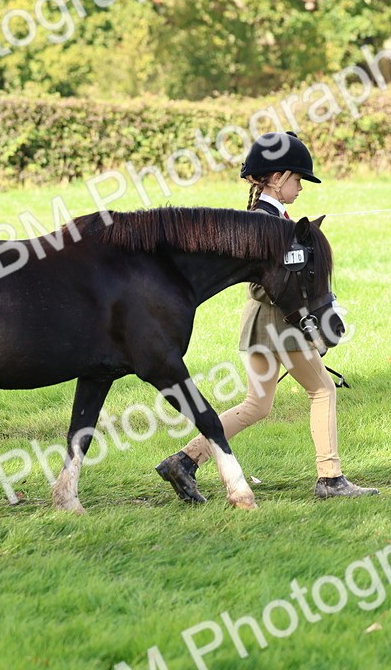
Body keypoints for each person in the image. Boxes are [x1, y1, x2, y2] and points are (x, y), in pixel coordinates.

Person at [155, 131, 379, 502]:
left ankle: (185, 460)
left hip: (259, 328)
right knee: (322, 391)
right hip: (280, 326)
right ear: (276, 178)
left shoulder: (271, 219)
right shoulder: (265, 222)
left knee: (257, 405)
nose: (300, 188)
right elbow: (262, 286)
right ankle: (330, 478)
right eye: (297, 179)